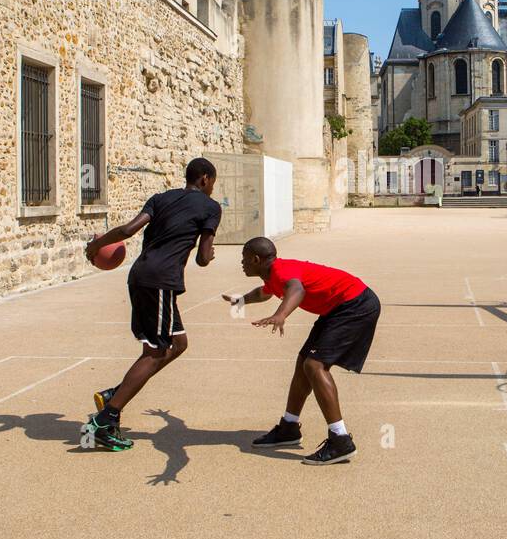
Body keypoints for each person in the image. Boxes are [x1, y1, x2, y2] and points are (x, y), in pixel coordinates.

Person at [81, 157, 220, 451]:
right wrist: (209, 252)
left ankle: (115, 394)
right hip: (161, 281)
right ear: (205, 179)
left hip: (139, 275)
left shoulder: (160, 198)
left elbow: (129, 230)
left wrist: (96, 245)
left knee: (178, 344)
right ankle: (106, 419)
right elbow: (203, 259)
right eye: (212, 184)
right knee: (156, 351)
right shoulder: (210, 207)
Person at [223, 237, 379, 465]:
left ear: (256, 259)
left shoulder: (282, 272)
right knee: (304, 362)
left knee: (314, 365)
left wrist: (281, 314)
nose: (242, 263)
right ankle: (289, 427)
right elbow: (265, 292)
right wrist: (242, 300)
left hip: (354, 304)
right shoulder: (275, 274)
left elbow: (296, 289)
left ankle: (340, 440)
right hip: (338, 307)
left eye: (244, 259)